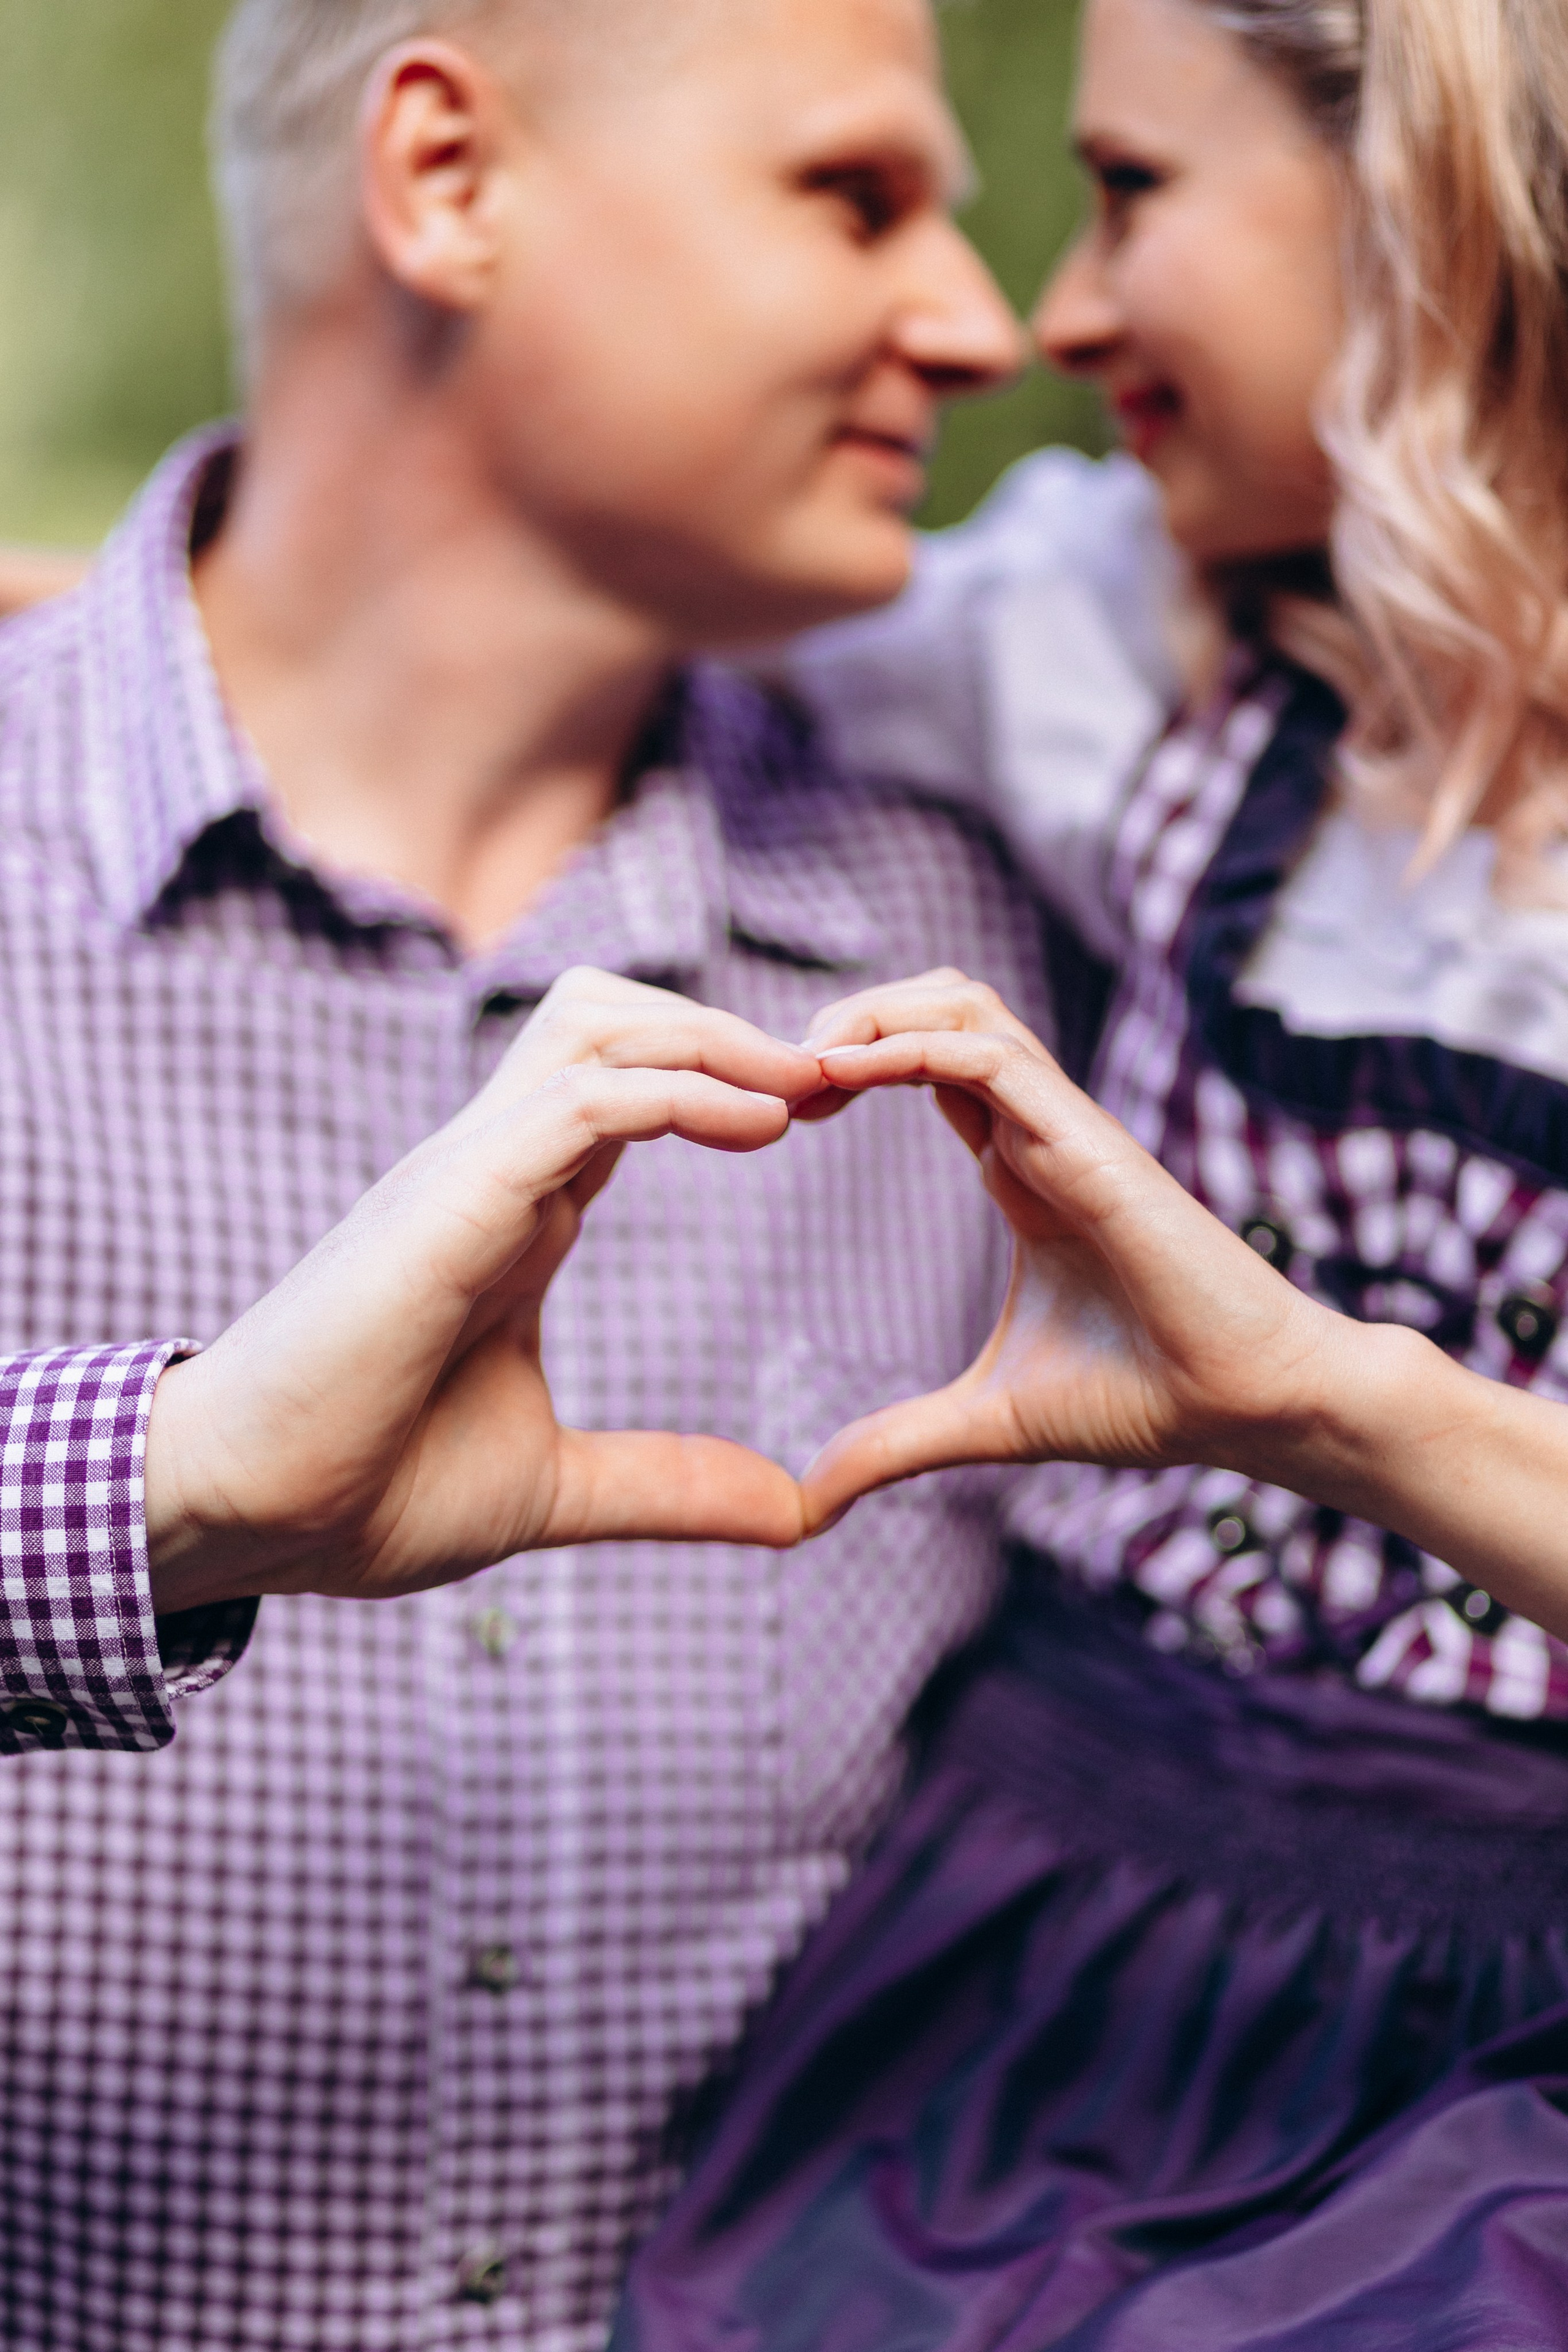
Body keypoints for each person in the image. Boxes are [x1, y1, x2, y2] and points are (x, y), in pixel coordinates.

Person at [0, 0, 1183, 2343]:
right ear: (447, 177)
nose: (976, 319)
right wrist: (164, 1491)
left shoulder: (1009, 964)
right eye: (853, 196)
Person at [609, 0, 1568, 2343]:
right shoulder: (1113, 655)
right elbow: (537, 584)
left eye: (1132, 189)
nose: (1052, 309)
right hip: (1051, 1900)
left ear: (1431, 201)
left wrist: (1354, 1418)